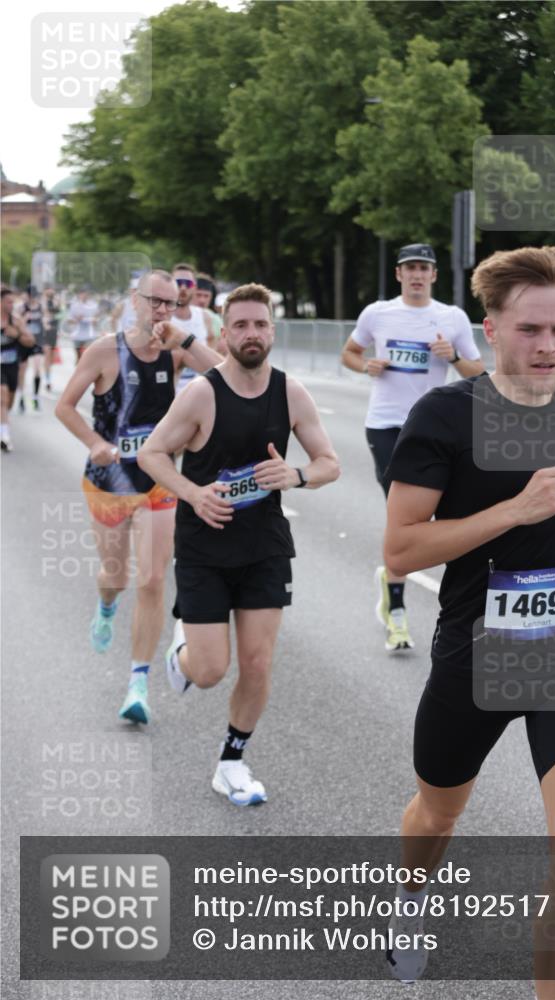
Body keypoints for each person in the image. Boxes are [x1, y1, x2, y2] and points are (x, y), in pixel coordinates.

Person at [381, 246, 555, 997]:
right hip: (473, 647)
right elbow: (398, 549)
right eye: (530, 329)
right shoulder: (445, 415)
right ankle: (409, 900)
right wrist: (514, 510)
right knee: (433, 817)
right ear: (490, 328)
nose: (548, 347)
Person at [138, 282, 340, 805]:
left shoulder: (290, 392)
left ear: (272, 331)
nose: (251, 334)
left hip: (265, 546)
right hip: (205, 545)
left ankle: (232, 761)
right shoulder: (203, 392)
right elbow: (153, 454)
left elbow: (329, 463)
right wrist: (193, 493)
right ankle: (182, 655)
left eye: (260, 324)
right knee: (209, 672)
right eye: (241, 325)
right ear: (224, 334)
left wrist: (295, 475)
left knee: (257, 663)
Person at [55, 270, 222, 724]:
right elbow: (64, 405)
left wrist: (185, 341)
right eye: (155, 301)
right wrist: (94, 443)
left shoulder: (174, 351)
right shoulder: (105, 349)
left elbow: (224, 376)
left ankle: (138, 681)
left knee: (151, 579)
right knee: (116, 575)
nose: (162, 310)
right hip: (108, 480)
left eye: (170, 303)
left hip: (157, 479)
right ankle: (107, 604)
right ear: (136, 300)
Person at [341, 243, 484, 653]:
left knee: (453, 513)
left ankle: (458, 600)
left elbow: (478, 371)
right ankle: (397, 611)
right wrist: (365, 365)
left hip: (437, 430)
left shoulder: (451, 318)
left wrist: (452, 355)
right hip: (386, 425)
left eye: (424, 268)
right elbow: (349, 352)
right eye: (410, 268)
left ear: (434, 275)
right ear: (399, 274)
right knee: (403, 518)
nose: (417, 274)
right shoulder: (377, 313)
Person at [170, 263, 217, 391]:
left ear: (194, 287)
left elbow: (212, 346)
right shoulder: (162, 317)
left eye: (188, 283)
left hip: (201, 392)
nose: (183, 288)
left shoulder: (204, 316)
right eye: (178, 282)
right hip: (170, 395)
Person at [1, 287, 34, 451]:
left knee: (8, 402)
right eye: (8, 302)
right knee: (2, 396)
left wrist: (17, 335)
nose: (11, 305)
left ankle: (2, 422)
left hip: (11, 366)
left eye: (13, 302)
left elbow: (31, 341)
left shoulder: (16, 321)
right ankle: (4, 436)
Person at [22, 289, 46, 411]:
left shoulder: (41, 308)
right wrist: (24, 319)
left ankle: (35, 397)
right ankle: (21, 397)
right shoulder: (23, 308)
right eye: (30, 295)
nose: (32, 298)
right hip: (25, 342)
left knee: (37, 369)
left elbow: (46, 322)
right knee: (23, 371)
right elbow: (18, 324)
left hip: (37, 342)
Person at [195, 273, 226, 358]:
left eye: (206, 296)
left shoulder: (216, 319)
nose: (202, 300)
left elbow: (222, 348)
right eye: (198, 295)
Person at [67, 288, 99, 360]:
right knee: (78, 356)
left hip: (89, 335)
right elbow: (69, 320)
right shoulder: (74, 306)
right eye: (82, 294)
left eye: (85, 294)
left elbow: (96, 319)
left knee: (87, 354)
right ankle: (79, 364)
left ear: (88, 295)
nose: (84, 296)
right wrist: (77, 319)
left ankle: (86, 367)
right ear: (79, 295)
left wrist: (94, 320)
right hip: (77, 334)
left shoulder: (93, 305)